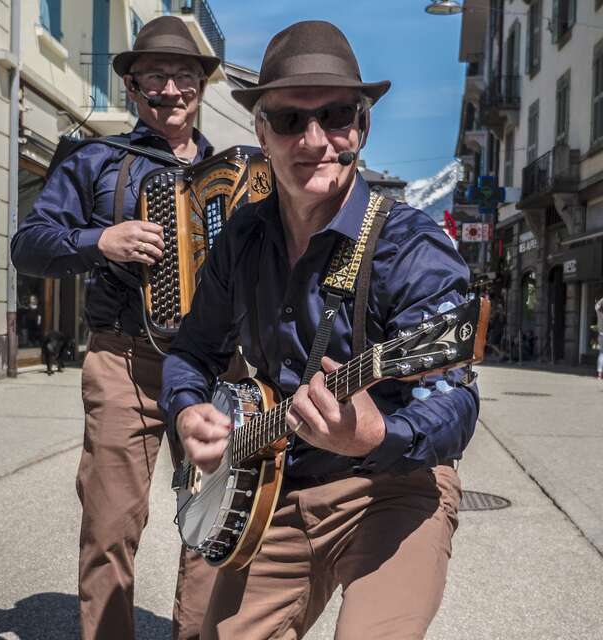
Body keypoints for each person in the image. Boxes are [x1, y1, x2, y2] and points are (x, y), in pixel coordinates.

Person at [160, 20, 479, 640]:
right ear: (260, 131)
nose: (316, 140)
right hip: (273, 489)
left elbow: (457, 400)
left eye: (337, 116)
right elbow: (192, 352)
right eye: (289, 121)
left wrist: (377, 432)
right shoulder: (243, 239)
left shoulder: (410, 247)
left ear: (362, 126)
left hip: (391, 485)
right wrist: (186, 409)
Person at [11, 16, 220, 640]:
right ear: (132, 86)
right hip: (125, 359)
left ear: (201, 87)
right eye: (155, 76)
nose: (171, 89)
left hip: (214, 366)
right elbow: (29, 244)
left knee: (214, 522)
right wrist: (99, 238)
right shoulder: (96, 158)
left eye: (185, 76)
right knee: (110, 525)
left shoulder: (236, 173)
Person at [596, 297, 603, 380]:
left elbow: (596, 305)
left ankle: (599, 374)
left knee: (601, 353)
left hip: (601, 335)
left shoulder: (599, 313)